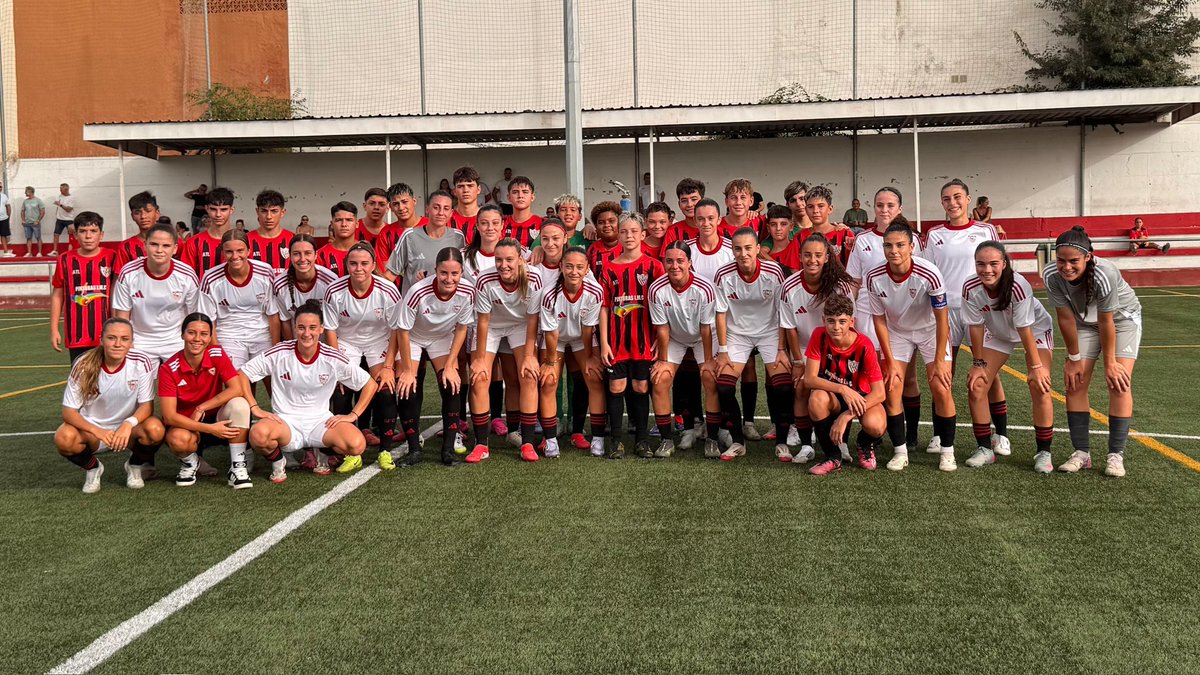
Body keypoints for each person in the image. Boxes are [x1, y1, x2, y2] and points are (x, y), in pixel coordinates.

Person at [1043, 226, 1142, 478]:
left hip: (1121, 321)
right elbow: (1065, 318)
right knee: (1075, 383)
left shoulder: (1105, 273)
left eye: (1073, 261)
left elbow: (1107, 321)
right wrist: (1073, 359)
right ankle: (1081, 453)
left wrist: (1110, 363)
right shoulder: (1050, 274)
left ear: (1088, 257)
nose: (1066, 267)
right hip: (1083, 323)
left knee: (1118, 382)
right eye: (1061, 260)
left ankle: (1116, 456)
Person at [242, 299, 378, 476]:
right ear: (295, 328)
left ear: (321, 329)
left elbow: (370, 384)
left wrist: (353, 415)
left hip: (320, 422)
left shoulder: (332, 357)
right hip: (286, 422)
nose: (307, 333)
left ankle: (322, 451)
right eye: (301, 327)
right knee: (258, 435)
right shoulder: (280, 352)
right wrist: (254, 407)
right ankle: (278, 460)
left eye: (313, 328)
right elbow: (242, 375)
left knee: (356, 444)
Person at [923, 179, 1007, 455]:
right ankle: (939, 435)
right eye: (946, 198)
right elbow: (928, 273)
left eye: (957, 197)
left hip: (980, 311)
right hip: (946, 311)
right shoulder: (934, 234)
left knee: (988, 373)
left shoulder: (985, 230)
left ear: (968, 200)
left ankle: (1000, 435)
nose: (952, 203)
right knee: (943, 372)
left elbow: (996, 267)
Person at [866, 223, 957, 472]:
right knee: (892, 385)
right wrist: (890, 358)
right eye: (888, 245)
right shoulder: (873, 276)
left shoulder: (929, 273)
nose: (894, 250)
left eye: (900, 245)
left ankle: (947, 452)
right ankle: (900, 451)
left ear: (912, 247)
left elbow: (942, 319)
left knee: (940, 385)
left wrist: (939, 359)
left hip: (930, 331)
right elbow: (879, 319)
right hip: (897, 332)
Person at [962, 241, 1057, 472]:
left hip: (1033, 331)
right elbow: (975, 326)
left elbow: (1024, 328)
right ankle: (985, 449)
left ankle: (1044, 453)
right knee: (977, 384)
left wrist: (1035, 366)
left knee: (1039, 385)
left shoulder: (1018, 285)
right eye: (981, 264)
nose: (987, 270)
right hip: (998, 334)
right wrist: (978, 363)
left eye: (994, 263)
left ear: (1004, 263)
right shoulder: (970, 287)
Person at [846, 187, 925, 453]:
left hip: (903, 316)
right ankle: (877, 432)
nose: (884, 210)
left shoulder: (913, 240)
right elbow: (854, 282)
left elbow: (922, 278)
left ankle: (910, 435)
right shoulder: (863, 240)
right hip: (870, 314)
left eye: (890, 205)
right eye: (880, 205)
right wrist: (851, 313)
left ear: (899, 208)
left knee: (907, 378)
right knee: (874, 376)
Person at [158, 314, 269, 488]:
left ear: (210, 337)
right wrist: (209, 429)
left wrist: (202, 407)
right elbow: (169, 416)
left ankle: (237, 467)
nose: (197, 339)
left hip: (215, 416)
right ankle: (191, 462)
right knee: (178, 439)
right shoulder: (168, 368)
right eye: (191, 333)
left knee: (239, 403)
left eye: (203, 334)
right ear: (182, 335)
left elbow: (237, 388)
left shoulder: (217, 354)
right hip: (188, 423)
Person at [54, 318, 164, 493]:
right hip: (93, 432)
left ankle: (134, 466)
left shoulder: (141, 361)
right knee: (64, 437)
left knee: (155, 429)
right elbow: (69, 412)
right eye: (112, 338)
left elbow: (146, 406)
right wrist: (98, 431)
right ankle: (93, 468)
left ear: (131, 342)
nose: (118, 344)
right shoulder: (84, 364)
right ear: (101, 339)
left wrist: (128, 424)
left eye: (124, 339)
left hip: (127, 431)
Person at [712, 227, 790, 461]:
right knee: (724, 387)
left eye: (748, 248)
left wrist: (781, 349)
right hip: (737, 335)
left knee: (784, 386)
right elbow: (721, 313)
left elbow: (782, 311)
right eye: (738, 248)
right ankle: (738, 441)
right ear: (732, 251)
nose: (743, 253)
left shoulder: (773, 271)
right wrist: (723, 350)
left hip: (769, 332)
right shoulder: (723, 274)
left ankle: (783, 443)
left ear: (757, 249)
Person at [323, 242, 404, 468]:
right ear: (346, 265)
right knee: (341, 391)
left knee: (386, 390)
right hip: (347, 342)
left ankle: (385, 451)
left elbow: (397, 329)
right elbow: (330, 330)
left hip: (379, 341)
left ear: (374, 266)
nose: (359, 268)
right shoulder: (334, 291)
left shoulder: (387, 290)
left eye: (364, 264)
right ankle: (350, 450)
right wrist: (338, 367)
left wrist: (388, 367)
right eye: (353, 263)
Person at [394, 247, 475, 466]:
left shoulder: (468, 291)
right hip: (413, 337)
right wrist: (409, 371)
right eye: (444, 273)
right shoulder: (418, 291)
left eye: (455, 273)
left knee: (452, 384)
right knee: (406, 386)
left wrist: (450, 364)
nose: (449, 279)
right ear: (435, 271)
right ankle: (413, 449)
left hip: (441, 338)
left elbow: (461, 328)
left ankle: (448, 450)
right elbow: (402, 330)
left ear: (461, 273)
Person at [466, 238, 544, 463]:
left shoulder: (534, 277)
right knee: (479, 378)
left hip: (520, 326)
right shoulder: (485, 279)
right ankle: (481, 444)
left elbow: (532, 319)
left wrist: (529, 356)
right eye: (498, 260)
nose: (503, 265)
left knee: (527, 376)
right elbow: (482, 321)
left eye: (509, 259)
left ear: (520, 260)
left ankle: (526, 441)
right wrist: (480, 359)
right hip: (490, 327)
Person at [779, 233, 854, 465]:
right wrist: (798, 362)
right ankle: (806, 445)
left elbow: (850, 322)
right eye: (807, 255)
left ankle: (841, 442)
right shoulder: (789, 286)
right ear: (800, 257)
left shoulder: (839, 286)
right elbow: (790, 327)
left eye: (818, 255)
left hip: (834, 347)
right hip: (803, 348)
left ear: (826, 258)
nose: (812, 260)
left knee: (839, 392)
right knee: (801, 388)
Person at [597, 213, 665, 459]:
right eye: (624, 232)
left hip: (644, 339)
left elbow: (661, 305)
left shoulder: (654, 266)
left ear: (643, 235)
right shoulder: (608, 268)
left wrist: (659, 338)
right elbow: (604, 307)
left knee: (640, 386)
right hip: (616, 341)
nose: (629, 236)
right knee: (616, 387)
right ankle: (616, 441)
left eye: (634, 231)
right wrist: (603, 342)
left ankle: (642, 441)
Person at [802, 295, 887, 475]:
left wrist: (846, 416)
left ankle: (864, 443)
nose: (836, 327)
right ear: (824, 320)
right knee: (816, 398)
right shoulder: (819, 335)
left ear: (851, 321)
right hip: (833, 396)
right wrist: (842, 388)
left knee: (877, 425)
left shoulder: (864, 345)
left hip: (859, 399)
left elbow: (880, 393)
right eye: (831, 321)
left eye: (842, 321)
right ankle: (833, 456)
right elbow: (809, 379)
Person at [648, 241, 716, 458]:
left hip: (702, 337)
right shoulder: (656, 289)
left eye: (680, 261)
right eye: (669, 261)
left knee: (709, 376)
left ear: (689, 263)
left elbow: (706, 328)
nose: (674, 266)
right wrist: (663, 360)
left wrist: (707, 360)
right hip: (676, 338)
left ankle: (712, 438)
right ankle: (667, 440)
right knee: (660, 379)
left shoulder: (704, 287)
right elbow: (662, 327)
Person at [540, 245, 606, 457]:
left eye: (579, 267)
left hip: (580, 338)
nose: (574, 271)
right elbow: (551, 333)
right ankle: (550, 440)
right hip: (555, 339)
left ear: (587, 269)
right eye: (568, 266)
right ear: (560, 267)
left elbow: (588, 329)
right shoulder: (549, 293)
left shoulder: (594, 292)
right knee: (549, 381)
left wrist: (589, 358)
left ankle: (595, 437)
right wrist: (550, 363)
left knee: (593, 377)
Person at [111, 224, 200, 367]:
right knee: (137, 388)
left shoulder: (187, 275)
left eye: (166, 246)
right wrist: (128, 344)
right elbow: (122, 317)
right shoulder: (128, 273)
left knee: (182, 388)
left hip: (176, 341)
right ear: (145, 245)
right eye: (154, 244)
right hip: (140, 340)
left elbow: (195, 316)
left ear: (175, 248)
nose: (159, 250)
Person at [197, 230, 281, 369]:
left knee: (273, 379)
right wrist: (216, 352)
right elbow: (208, 320)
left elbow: (273, 315)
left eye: (240, 251)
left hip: (261, 334)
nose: (235, 256)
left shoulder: (265, 272)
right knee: (238, 384)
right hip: (229, 336)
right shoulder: (210, 278)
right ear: (223, 253)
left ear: (248, 251)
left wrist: (275, 348)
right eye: (229, 251)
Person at [50, 211, 118, 363]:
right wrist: (54, 329)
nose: (88, 236)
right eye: (83, 231)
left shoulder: (112, 257)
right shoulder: (65, 259)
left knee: (110, 383)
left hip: (109, 335)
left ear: (101, 235)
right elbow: (57, 295)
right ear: (75, 234)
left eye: (93, 231)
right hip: (77, 335)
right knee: (81, 384)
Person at [386, 190, 466, 292]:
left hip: (448, 305)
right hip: (415, 305)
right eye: (436, 208)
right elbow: (390, 276)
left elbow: (461, 275)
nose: (441, 213)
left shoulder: (458, 237)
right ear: (427, 209)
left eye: (446, 208)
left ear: (451, 213)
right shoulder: (409, 236)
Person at [272, 234, 338, 340]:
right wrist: (292, 350)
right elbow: (286, 321)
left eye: (308, 253)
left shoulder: (330, 281)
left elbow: (334, 323)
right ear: (290, 256)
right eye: (296, 254)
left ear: (316, 255)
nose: (302, 259)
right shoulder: (280, 284)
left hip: (325, 342)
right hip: (298, 342)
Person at [180, 186, 235, 277]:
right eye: (213, 209)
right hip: (202, 291)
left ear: (231, 210)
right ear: (207, 209)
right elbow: (185, 278)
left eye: (223, 209)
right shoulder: (193, 243)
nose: (218, 214)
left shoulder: (243, 241)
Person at [374, 182, 427, 273]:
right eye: (395, 204)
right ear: (390, 207)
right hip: (397, 286)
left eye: (404, 202)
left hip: (429, 285)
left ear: (414, 201)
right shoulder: (386, 233)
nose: (401, 208)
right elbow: (384, 270)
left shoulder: (430, 225)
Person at [247, 189, 294, 276]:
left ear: (282, 212)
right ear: (257, 212)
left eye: (274, 211)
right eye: (264, 211)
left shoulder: (293, 239)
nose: (269, 216)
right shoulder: (245, 240)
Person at [113, 192, 160, 273]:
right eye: (137, 213)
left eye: (148, 211)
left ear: (157, 213)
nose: (143, 216)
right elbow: (119, 280)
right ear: (132, 216)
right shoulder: (126, 247)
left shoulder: (175, 243)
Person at [316, 201, 359, 276]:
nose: (344, 224)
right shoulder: (320, 255)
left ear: (357, 224)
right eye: (339, 220)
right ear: (332, 224)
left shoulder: (367, 252)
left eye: (349, 220)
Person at [662, 178, 705, 247]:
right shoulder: (673, 231)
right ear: (679, 204)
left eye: (694, 199)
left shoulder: (716, 228)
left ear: (703, 201)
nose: (689, 204)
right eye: (684, 200)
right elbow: (667, 257)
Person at [586, 201, 622, 280]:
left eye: (611, 221)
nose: (607, 225)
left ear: (619, 223)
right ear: (596, 226)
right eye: (601, 222)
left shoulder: (628, 246)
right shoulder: (592, 250)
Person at [503, 176, 542, 246]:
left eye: (525, 192)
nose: (520, 196)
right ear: (509, 197)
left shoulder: (542, 224)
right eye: (515, 192)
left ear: (532, 197)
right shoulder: (501, 223)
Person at [450, 166, 483, 242]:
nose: (465, 190)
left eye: (470, 185)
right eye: (461, 186)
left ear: (478, 189)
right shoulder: (446, 218)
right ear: (454, 191)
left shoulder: (489, 219)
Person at [51, 183, 77, 254]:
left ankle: (71, 251)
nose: (60, 190)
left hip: (68, 219)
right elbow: (58, 207)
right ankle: (55, 251)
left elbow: (68, 209)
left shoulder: (72, 198)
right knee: (56, 234)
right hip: (59, 219)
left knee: (71, 235)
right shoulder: (60, 196)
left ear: (66, 189)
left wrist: (60, 205)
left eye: (61, 189)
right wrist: (57, 213)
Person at [20, 186, 45, 257]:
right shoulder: (25, 201)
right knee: (28, 238)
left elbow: (42, 212)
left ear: (30, 192)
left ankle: (39, 252)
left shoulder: (38, 200)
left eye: (26, 191)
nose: (25, 193)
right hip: (27, 223)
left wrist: (38, 220)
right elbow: (22, 211)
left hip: (35, 223)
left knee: (38, 237)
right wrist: (23, 220)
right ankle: (29, 252)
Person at [0, 180, 13, 257]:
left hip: (3, 219)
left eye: (1, 186)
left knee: (3, 235)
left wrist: (8, 216)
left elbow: (8, 206)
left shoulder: (4, 196)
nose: (0, 188)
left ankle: (5, 251)